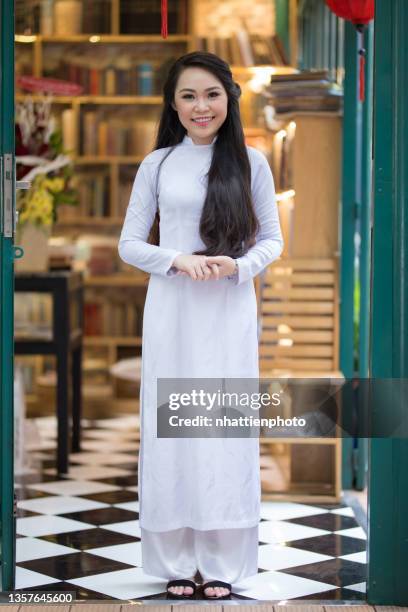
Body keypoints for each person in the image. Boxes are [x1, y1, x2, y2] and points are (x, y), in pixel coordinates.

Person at [118, 51, 283, 600]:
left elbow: (272, 242)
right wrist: (177, 260)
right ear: (173, 103)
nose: (200, 106)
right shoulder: (158, 164)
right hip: (173, 310)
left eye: (211, 94)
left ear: (228, 98)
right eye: (188, 95)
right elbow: (130, 243)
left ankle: (222, 563)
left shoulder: (252, 162)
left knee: (222, 433)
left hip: (229, 310)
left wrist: (238, 266)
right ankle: (173, 560)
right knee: (171, 432)